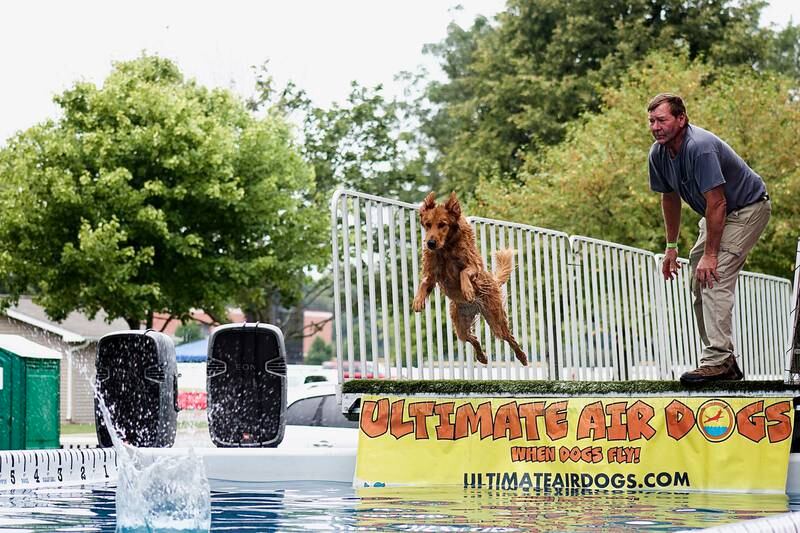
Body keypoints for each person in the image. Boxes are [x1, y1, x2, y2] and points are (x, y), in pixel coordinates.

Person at [647, 93, 770, 384]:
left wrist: (711, 254)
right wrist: (671, 247)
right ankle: (724, 361)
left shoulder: (699, 148)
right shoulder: (658, 153)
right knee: (697, 277)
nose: (655, 127)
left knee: (714, 273)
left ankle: (717, 361)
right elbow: (669, 197)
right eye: (651, 121)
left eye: (662, 120)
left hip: (747, 208)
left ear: (681, 119)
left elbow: (718, 203)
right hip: (719, 213)